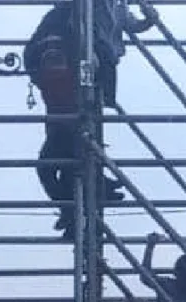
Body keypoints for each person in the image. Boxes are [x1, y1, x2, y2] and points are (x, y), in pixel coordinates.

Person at [24, 2, 157, 239]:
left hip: (80, 103)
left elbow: (135, 25)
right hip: (71, 110)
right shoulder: (68, 20)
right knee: (70, 167)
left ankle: (82, 209)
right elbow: (33, 53)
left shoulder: (93, 16)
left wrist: (149, 16)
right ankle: (82, 209)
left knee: (68, 166)